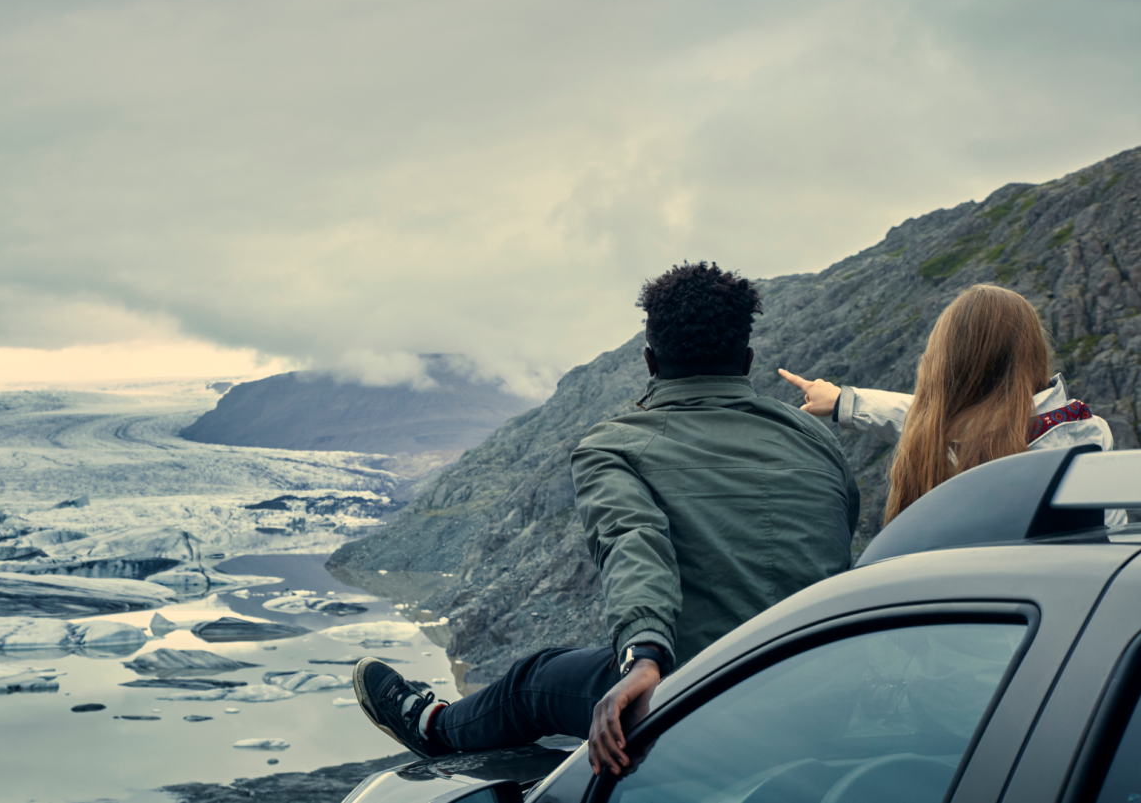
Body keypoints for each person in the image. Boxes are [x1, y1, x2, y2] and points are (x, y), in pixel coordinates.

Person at [353, 262, 861, 777]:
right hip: (818, 684)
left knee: (532, 680)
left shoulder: (614, 446)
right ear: (747, 359)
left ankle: (431, 727)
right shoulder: (817, 439)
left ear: (649, 359)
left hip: (694, 683)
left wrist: (645, 658)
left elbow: (632, 541)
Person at [779, 283, 1124, 528]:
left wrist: (845, 402)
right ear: (1033, 353)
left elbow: (928, 421)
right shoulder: (1087, 433)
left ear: (948, 363)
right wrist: (845, 401)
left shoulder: (950, 449)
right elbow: (934, 420)